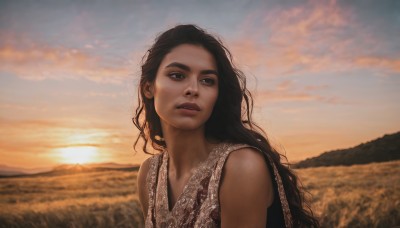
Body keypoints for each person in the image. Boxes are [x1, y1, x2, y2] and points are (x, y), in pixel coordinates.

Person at [133, 24, 319, 227]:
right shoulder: (149, 173)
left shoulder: (240, 166)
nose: (193, 89)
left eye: (207, 80)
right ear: (149, 87)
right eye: (177, 75)